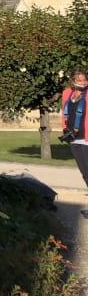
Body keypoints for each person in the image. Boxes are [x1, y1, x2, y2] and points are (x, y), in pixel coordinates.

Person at [61, 69, 88, 213]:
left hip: (86, 137)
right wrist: (64, 130)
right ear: (72, 81)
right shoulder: (66, 93)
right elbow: (64, 115)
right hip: (74, 138)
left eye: (85, 80)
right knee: (84, 173)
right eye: (80, 80)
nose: (83, 82)